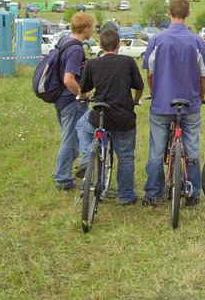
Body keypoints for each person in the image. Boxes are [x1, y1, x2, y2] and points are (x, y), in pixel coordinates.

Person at [141, 0, 205, 206]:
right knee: (192, 148)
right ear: (188, 13)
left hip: (162, 104)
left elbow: (150, 74)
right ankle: (193, 193)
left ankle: (153, 193)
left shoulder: (157, 40)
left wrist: (154, 92)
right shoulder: (197, 41)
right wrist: (200, 97)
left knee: (156, 150)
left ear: (169, 13)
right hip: (190, 104)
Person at [76, 29, 144, 205]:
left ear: (99, 45)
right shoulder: (128, 62)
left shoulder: (92, 64)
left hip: (101, 115)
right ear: (119, 45)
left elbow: (83, 91)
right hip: (124, 117)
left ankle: (86, 159)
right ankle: (126, 195)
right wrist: (135, 101)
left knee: (82, 125)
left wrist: (83, 97)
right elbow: (139, 87)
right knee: (126, 156)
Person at [53, 12, 94, 191]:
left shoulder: (64, 40)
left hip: (61, 99)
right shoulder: (76, 49)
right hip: (71, 100)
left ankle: (63, 173)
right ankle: (62, 178)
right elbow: (68, 78)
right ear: (85, 29)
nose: (92, 30)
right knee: (70, 139)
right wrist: (82, 95)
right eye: (91, 27)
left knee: (73, 140)